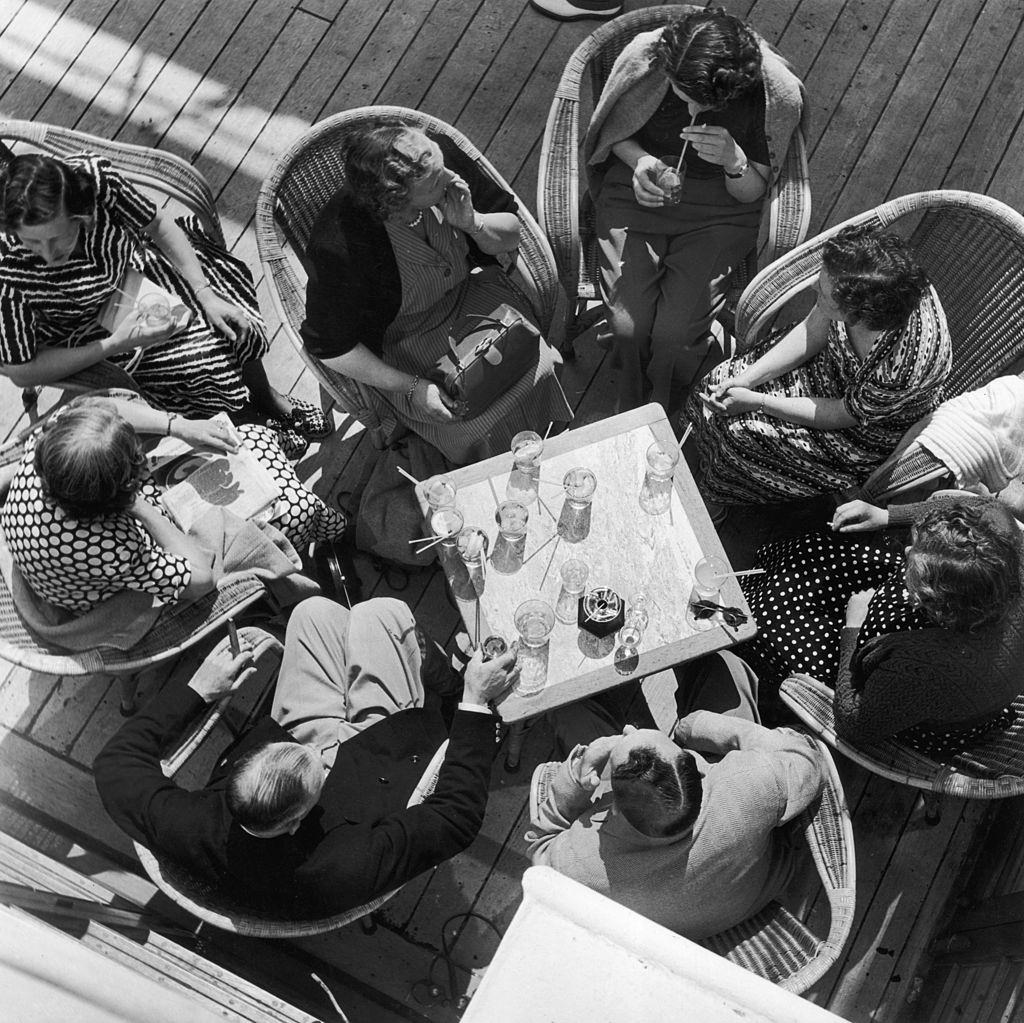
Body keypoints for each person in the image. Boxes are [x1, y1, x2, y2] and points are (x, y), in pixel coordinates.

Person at [95, 595, 520, 918]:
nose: (319, 751)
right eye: (318, 765)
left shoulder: (190, 825)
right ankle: (453, 683)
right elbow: (457, 818)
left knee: (314, 614)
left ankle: (412, 673)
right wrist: (474, 703)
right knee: (383, 615)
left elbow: (113, 763)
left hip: (293, 739)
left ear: (245, 768)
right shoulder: (340, 867)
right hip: (372, 776)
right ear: (298, 820)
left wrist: (196, 691)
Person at [0, 153, 328, 444]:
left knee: (231, 317)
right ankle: (245, 423)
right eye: (32, 242)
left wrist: (204, 293)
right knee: (196, 365)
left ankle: (266, 397)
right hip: (85, 334)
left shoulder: (95, 180)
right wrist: (115, 344)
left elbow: (157, 224)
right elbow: (22, 371)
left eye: (56, 237)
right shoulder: (7, 272)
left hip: (139, 273)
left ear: (79, 212)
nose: (47, 254)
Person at [300, 120, 572, 465]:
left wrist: (473, 223)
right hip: (405, 344)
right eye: (434, 183)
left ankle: (556, 446)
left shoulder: (441, 165)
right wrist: (413, 387)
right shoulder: (339, 245)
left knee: (540, 365)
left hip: (476, 300)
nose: (451, 178)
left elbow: (513, 234)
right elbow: (330, 347)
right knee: (469, 422)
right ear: (395, 202)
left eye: (442, 165)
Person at [584, 6, 808, 420]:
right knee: (627, 325)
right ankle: (631, 402)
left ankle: (663, 402)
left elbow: (753, 191)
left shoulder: (772, 94)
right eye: (681, 94)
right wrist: (640, 162)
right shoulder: (647, 61)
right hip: (638, 192)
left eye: (698, 102)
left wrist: (734, 161)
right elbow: (612, 134)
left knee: (674, 334)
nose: (689, 110)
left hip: (719, 211)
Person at [527, 650, 824, 938]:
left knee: (568, 706)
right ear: (697, 767)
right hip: (743, 900)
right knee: (724, 668)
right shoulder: (749, 785)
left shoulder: (585, 862)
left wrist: (577, 777)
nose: (629, 729)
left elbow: (541, 848)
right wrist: (694, 726)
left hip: (674, 919)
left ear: (613, 805)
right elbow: (806, 757)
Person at [0, 394, 347, 616]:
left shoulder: (50, 448)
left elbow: (103, 408)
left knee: (242, 446)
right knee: (293, 509)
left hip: (57, 552)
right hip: (109, 592)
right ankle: (331, 528)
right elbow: (202, 579)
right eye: (136, 464)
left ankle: (290, 473)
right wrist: (139, 507)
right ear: (121, 494)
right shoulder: (116, 544)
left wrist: (177, 426)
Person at [687, 224, 952, 505]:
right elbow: (814, 330)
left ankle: (713, 501)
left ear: (856, 315)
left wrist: (758, 402)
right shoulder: (869, 281)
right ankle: (693, 462)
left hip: (863, 424)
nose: (814, 285)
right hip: (829, 364)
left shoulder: (901, 369)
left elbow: (842, 413)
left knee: (742, 434)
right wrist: (747, 379)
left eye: (824, 294)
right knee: (719, 381)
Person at [739, 493, 1023, 751]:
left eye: (916, 560)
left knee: (764, 624)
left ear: (940, 606)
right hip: (918, 624)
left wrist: (852, 628)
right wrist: (886, 516)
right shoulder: (999, 534)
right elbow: (972, 506)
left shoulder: (928, 672)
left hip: (900, 700)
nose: (907, 551)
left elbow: (854, 723)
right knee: (815, 550)